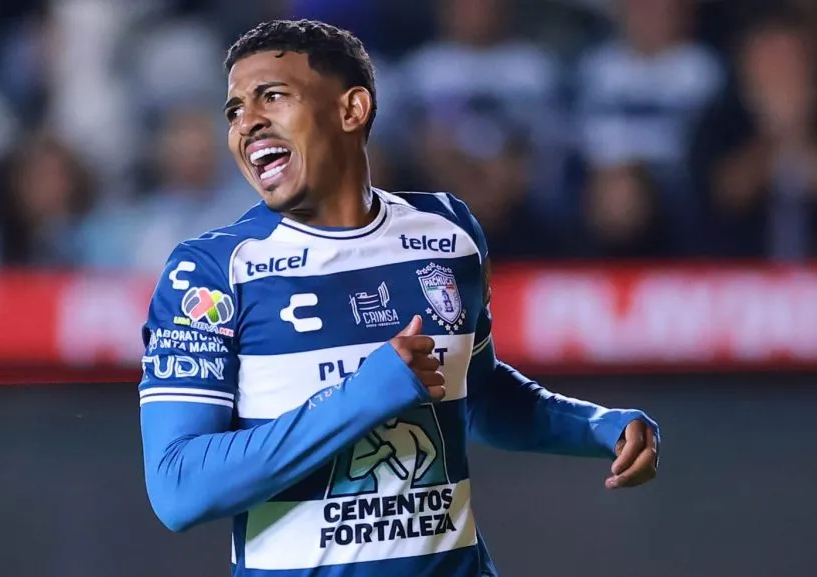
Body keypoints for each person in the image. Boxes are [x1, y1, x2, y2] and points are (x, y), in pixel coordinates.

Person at [138, 19, 661, 577]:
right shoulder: (212, 271)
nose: (248, 122)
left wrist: (597, 425)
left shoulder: (448, 231)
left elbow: (477, 395)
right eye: (234, 110)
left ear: (351, 110)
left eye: (272, 96)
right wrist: (363, 395)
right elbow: (178, 487)